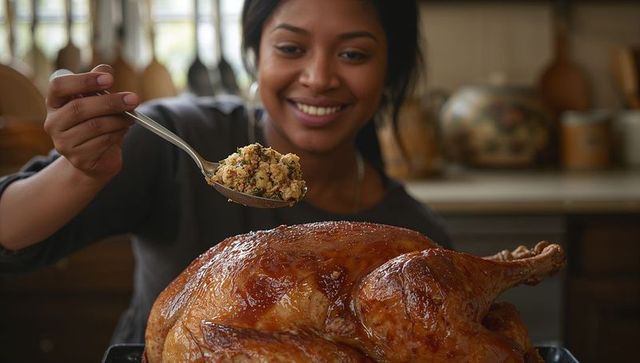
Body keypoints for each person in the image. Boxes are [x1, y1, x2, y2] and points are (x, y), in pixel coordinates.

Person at [0, 0, 451, 344]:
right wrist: (81, 173)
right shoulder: (174, 139)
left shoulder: (415, 239)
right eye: (291, 48)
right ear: (255, 55)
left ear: (389, 72)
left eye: (353, 55)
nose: (318, 77)